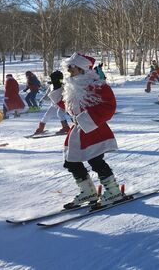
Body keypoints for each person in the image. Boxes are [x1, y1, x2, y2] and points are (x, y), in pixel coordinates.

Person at [49, 52, 122, 208]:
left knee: (96, 161)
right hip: (77, 130)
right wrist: (57, 85)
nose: (69, 72)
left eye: (72, 68)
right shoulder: (72, 86)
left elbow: (109, 107)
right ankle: (88, 191)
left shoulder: (97, 86)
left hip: (94, 129)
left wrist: (87, 119)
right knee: (71, 162)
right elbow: (66, 107)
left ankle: (113, 191)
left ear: (82, 68)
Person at [33, 70, 71, 135]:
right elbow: (47, 94)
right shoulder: (51, 85)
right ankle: (40, 128)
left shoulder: (63, 86)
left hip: (61, 103)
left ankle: (66, 127)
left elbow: (66, 94)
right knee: (47, 115)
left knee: (59, 113)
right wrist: (42, 100)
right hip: (54, 104)